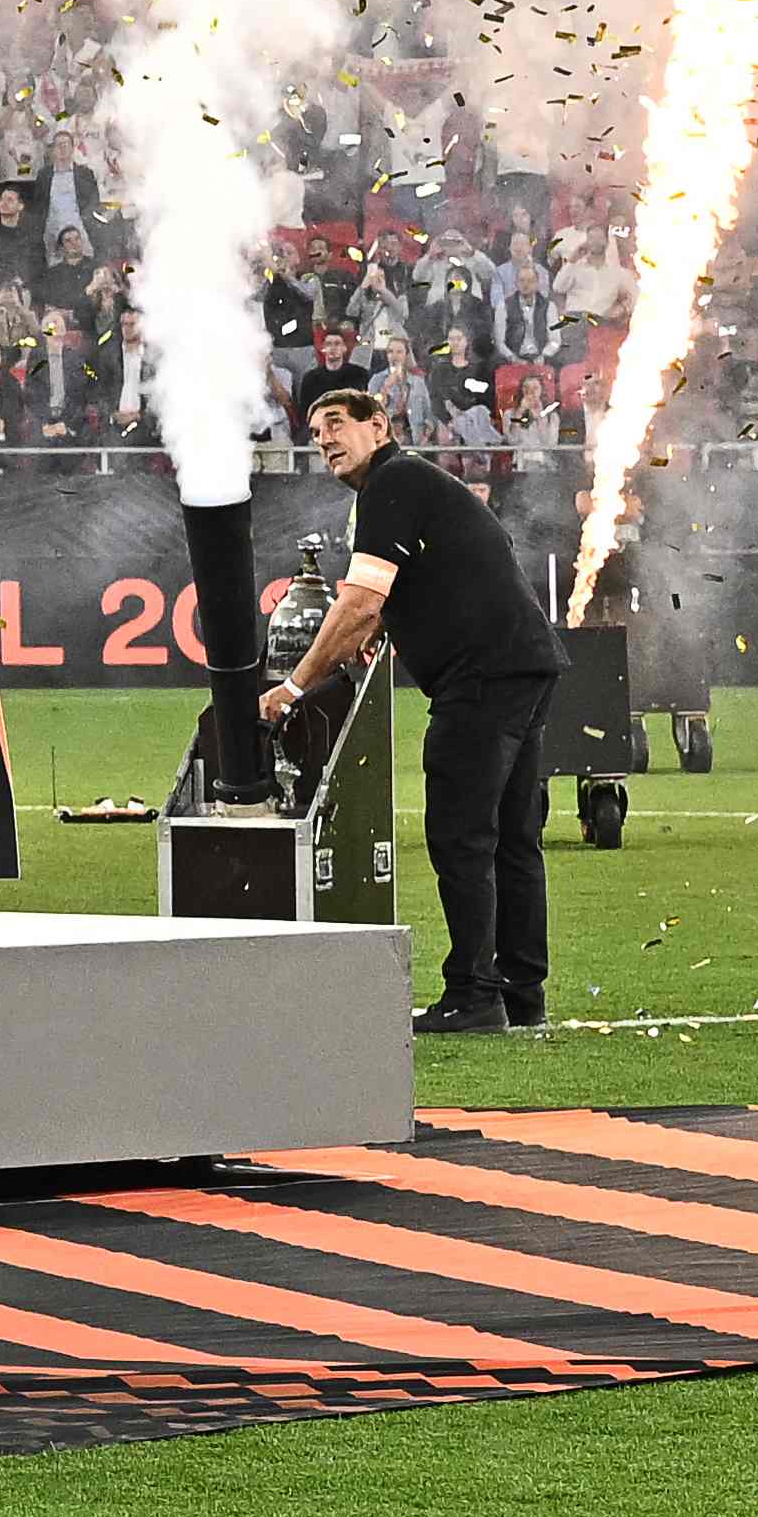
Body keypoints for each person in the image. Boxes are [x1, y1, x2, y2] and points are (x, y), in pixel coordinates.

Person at [266, 391, 564, 1035]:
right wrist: (388, 624)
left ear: (379, 426)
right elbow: (443, 573)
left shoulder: (391, 483)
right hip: (524, 662)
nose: (324, 440)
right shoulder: (416, 481)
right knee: (514, 838)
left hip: (480, 676)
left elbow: (359, 602)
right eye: (315, 434)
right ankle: (522, 992)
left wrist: (292, 687)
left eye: (336, 424)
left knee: (461, 835)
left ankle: (474, 994)